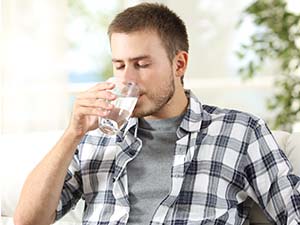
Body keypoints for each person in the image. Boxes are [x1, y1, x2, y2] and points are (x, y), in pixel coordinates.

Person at [14, 3, 300, 225]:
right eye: (119, 65)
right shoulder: (94, 138)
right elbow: (28, 221)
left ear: (179, 64)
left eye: (141, 64)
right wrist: (71, 134)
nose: (128, 79)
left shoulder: (240, 132)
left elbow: (292, 212)